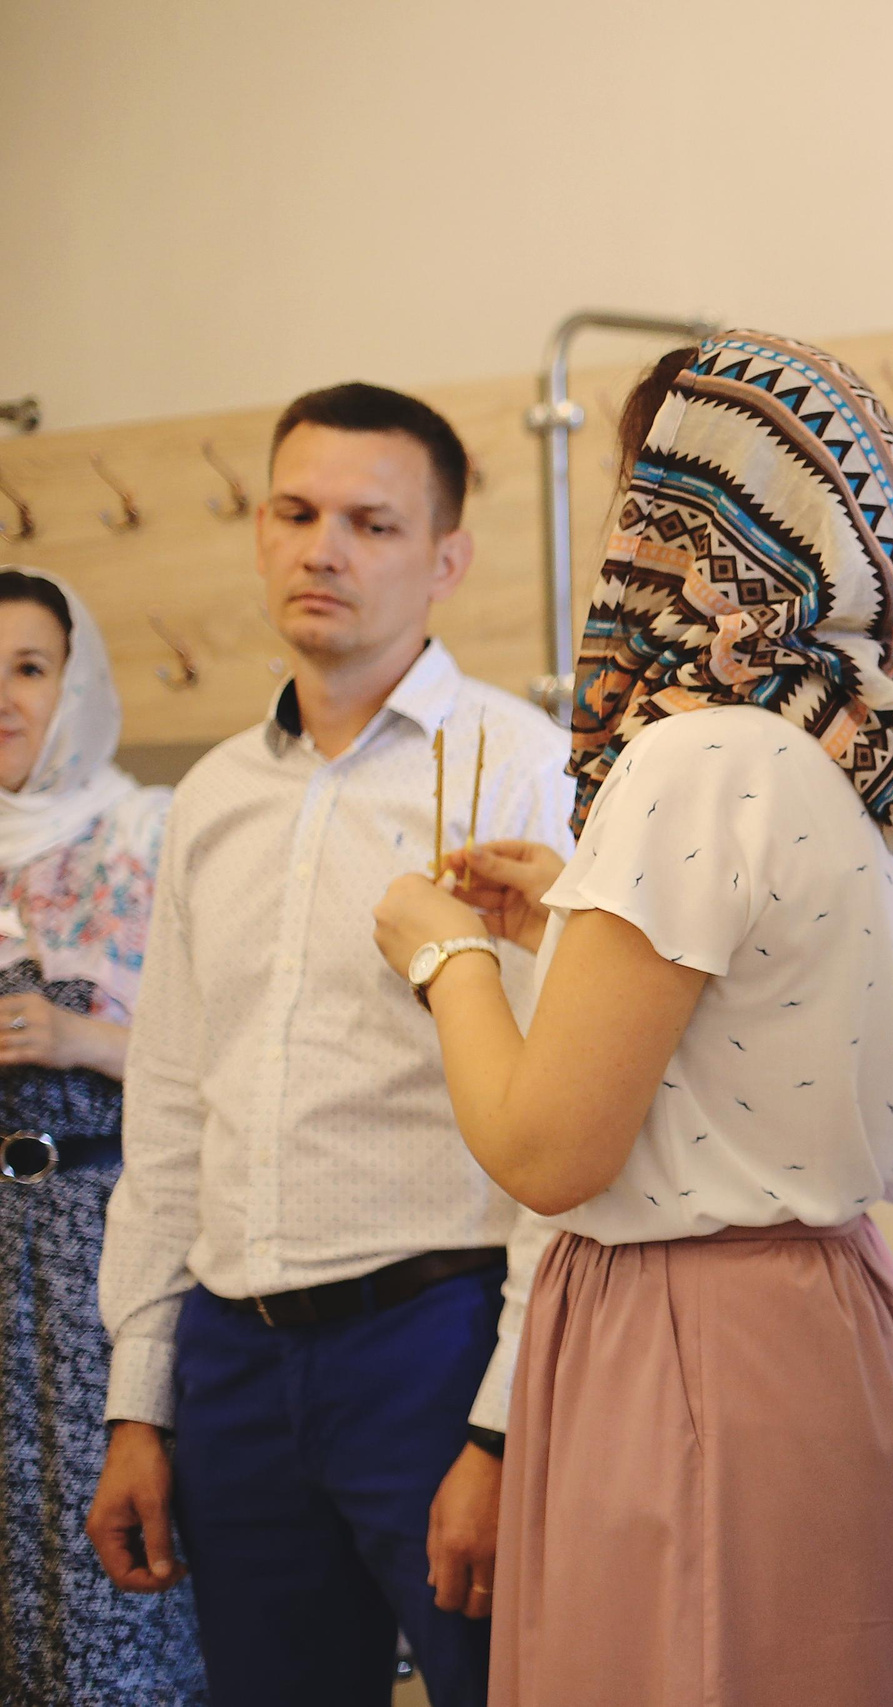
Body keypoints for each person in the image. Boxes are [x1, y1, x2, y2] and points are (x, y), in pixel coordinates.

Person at [369, 329, 893, 1707]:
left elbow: (546, 1149)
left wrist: (444, 954)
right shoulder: (874, 753)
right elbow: (757, 1009)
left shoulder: (692, 758)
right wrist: (565, 927)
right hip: (830, 1325)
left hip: (686, 1342)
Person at [89, 383, 573, 1707]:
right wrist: (143, 1400)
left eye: (371, 521)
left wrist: (501, 1418)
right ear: (259, 530)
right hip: (232, 1356)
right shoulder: (212, 797)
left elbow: (562, 1122)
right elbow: (174, 1105)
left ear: (447, 558)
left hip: (431, 1334)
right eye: (297, 512)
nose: (326, 549)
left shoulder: (521, 767)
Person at [0, 568, 203, 1704]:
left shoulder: (148, 836)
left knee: (106, 1559)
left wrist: (83, 1041)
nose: (5, 699)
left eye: (30, 669)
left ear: (77, 690)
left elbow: (226, 1065)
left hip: (103, 1245)